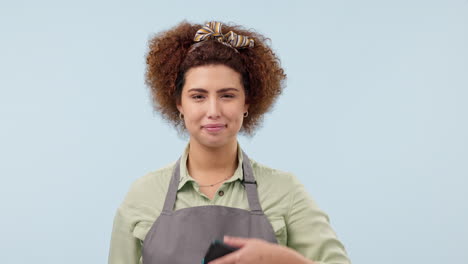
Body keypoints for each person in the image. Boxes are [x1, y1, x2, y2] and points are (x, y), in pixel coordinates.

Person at [108, 21, 351, 264]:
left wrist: (283, 259)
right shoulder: (143, 196)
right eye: (198, 96)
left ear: (247, 103)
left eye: (227, 95)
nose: (213, 110)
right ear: (179, 104)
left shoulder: (285, 192)